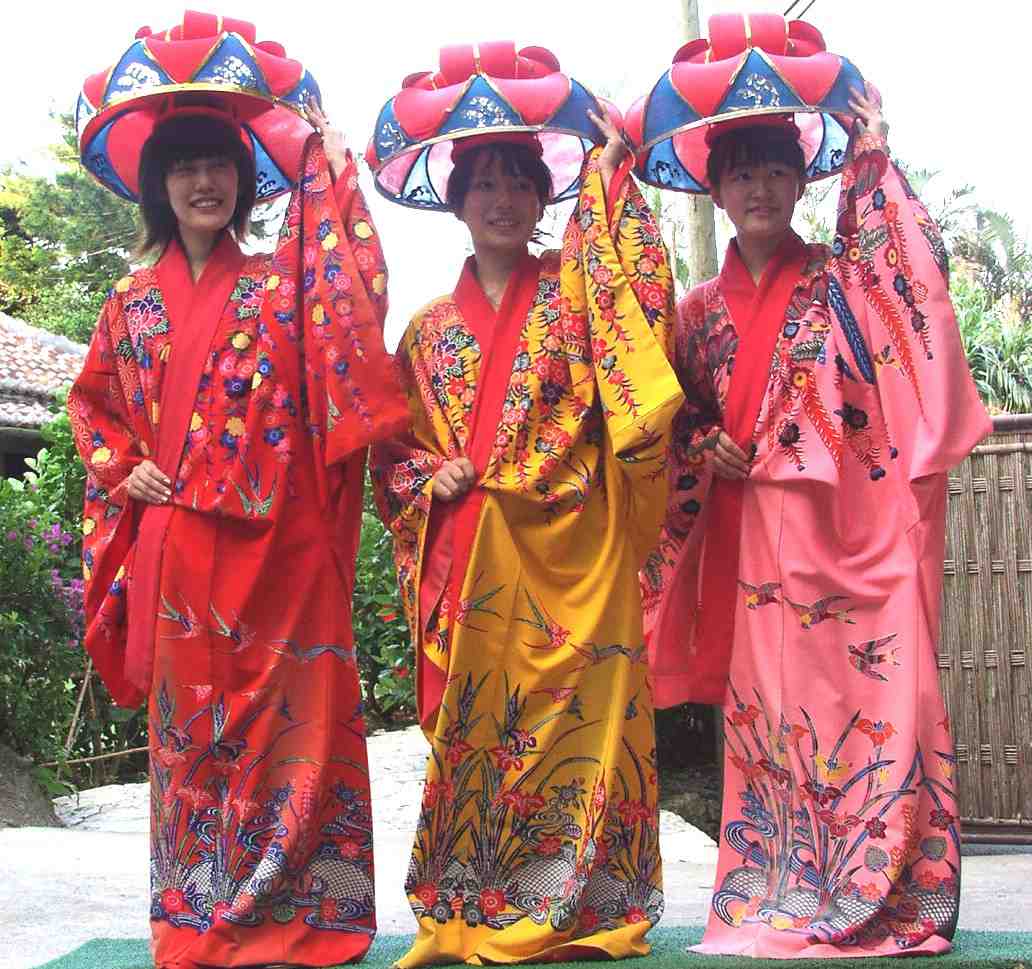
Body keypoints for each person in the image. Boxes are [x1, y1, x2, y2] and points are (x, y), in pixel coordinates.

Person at [642, 87, 992, 956]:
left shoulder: (844, 281)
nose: (759, 187)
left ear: (803, 181)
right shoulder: (695, 312)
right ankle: (777, 888)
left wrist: (871, 159)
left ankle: (879, 888)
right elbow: (668, 412)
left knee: (865, 702)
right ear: (716, 190)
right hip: (751, 547)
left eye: (775, 169)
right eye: (740, 173)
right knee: (770, 721)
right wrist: (703, 440)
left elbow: (912, 286)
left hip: (842, 535)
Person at [69, 97, 408, 968]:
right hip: (180, 549)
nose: (203, 181)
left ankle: (303, 911)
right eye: (183, 165)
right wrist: (123, 467)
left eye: (218, 163)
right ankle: (199, 911)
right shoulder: (127, 303)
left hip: (281, 549)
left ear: (243, 179)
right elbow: (95, 407)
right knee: (190, 736)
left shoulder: (281, 285)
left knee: (288, 725)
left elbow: (350, 309)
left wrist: (332, 171)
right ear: (158, 184)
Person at [371, 108, 684, 965]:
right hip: (472, 556)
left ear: (546, 196)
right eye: (483, 183)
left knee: (584, 733)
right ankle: (475, 902)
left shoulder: (576, 296)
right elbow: (391, 453)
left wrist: (609, 178)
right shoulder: (427, 331)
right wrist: (427, 475)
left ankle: (583, 902)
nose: (502, 198)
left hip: (577, 556)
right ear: (456, 201)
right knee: (481, 734)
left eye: (519, 181)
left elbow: (638, 322)